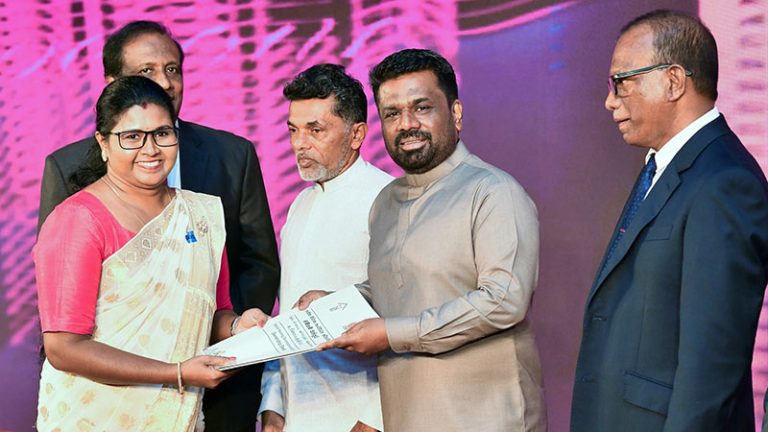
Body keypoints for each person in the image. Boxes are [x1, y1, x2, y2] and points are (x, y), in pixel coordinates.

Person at [36, 21, 280, 431]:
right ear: (104, 142)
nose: (150, 149)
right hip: (94, 413)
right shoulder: (77, 219)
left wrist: (239, 325)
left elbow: (212, 310)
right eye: (132, 136)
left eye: (162, 133)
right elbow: (63, 347)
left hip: (181, 410)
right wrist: (178, 372)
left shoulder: (201, 214)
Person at [297, 48, 547, 431]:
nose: (406, 124)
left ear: (456, 113)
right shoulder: (386, 201)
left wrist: (392, 334)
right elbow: (401, 285)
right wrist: (340, 302)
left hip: (486, 417)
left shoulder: (492, 190)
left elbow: (504, 299)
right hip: (407, 415)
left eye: (422, 107)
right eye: (392, 114)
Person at [571, 10, 768, 431]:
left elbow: (709, 369)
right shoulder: (665, 167)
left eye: (622, 82)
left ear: (674, 81)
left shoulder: (724, 182)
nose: (610, 100)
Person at [258, 64, 390, 432]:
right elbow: (286, 311)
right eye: (293, 130)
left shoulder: (388, 200)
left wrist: (376, 419)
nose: (300, 144)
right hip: (298, 414)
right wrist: (273, 406)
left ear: (356, 134)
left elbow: (407, 316)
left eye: (315, 130)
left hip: (360, 419)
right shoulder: (300, 205)